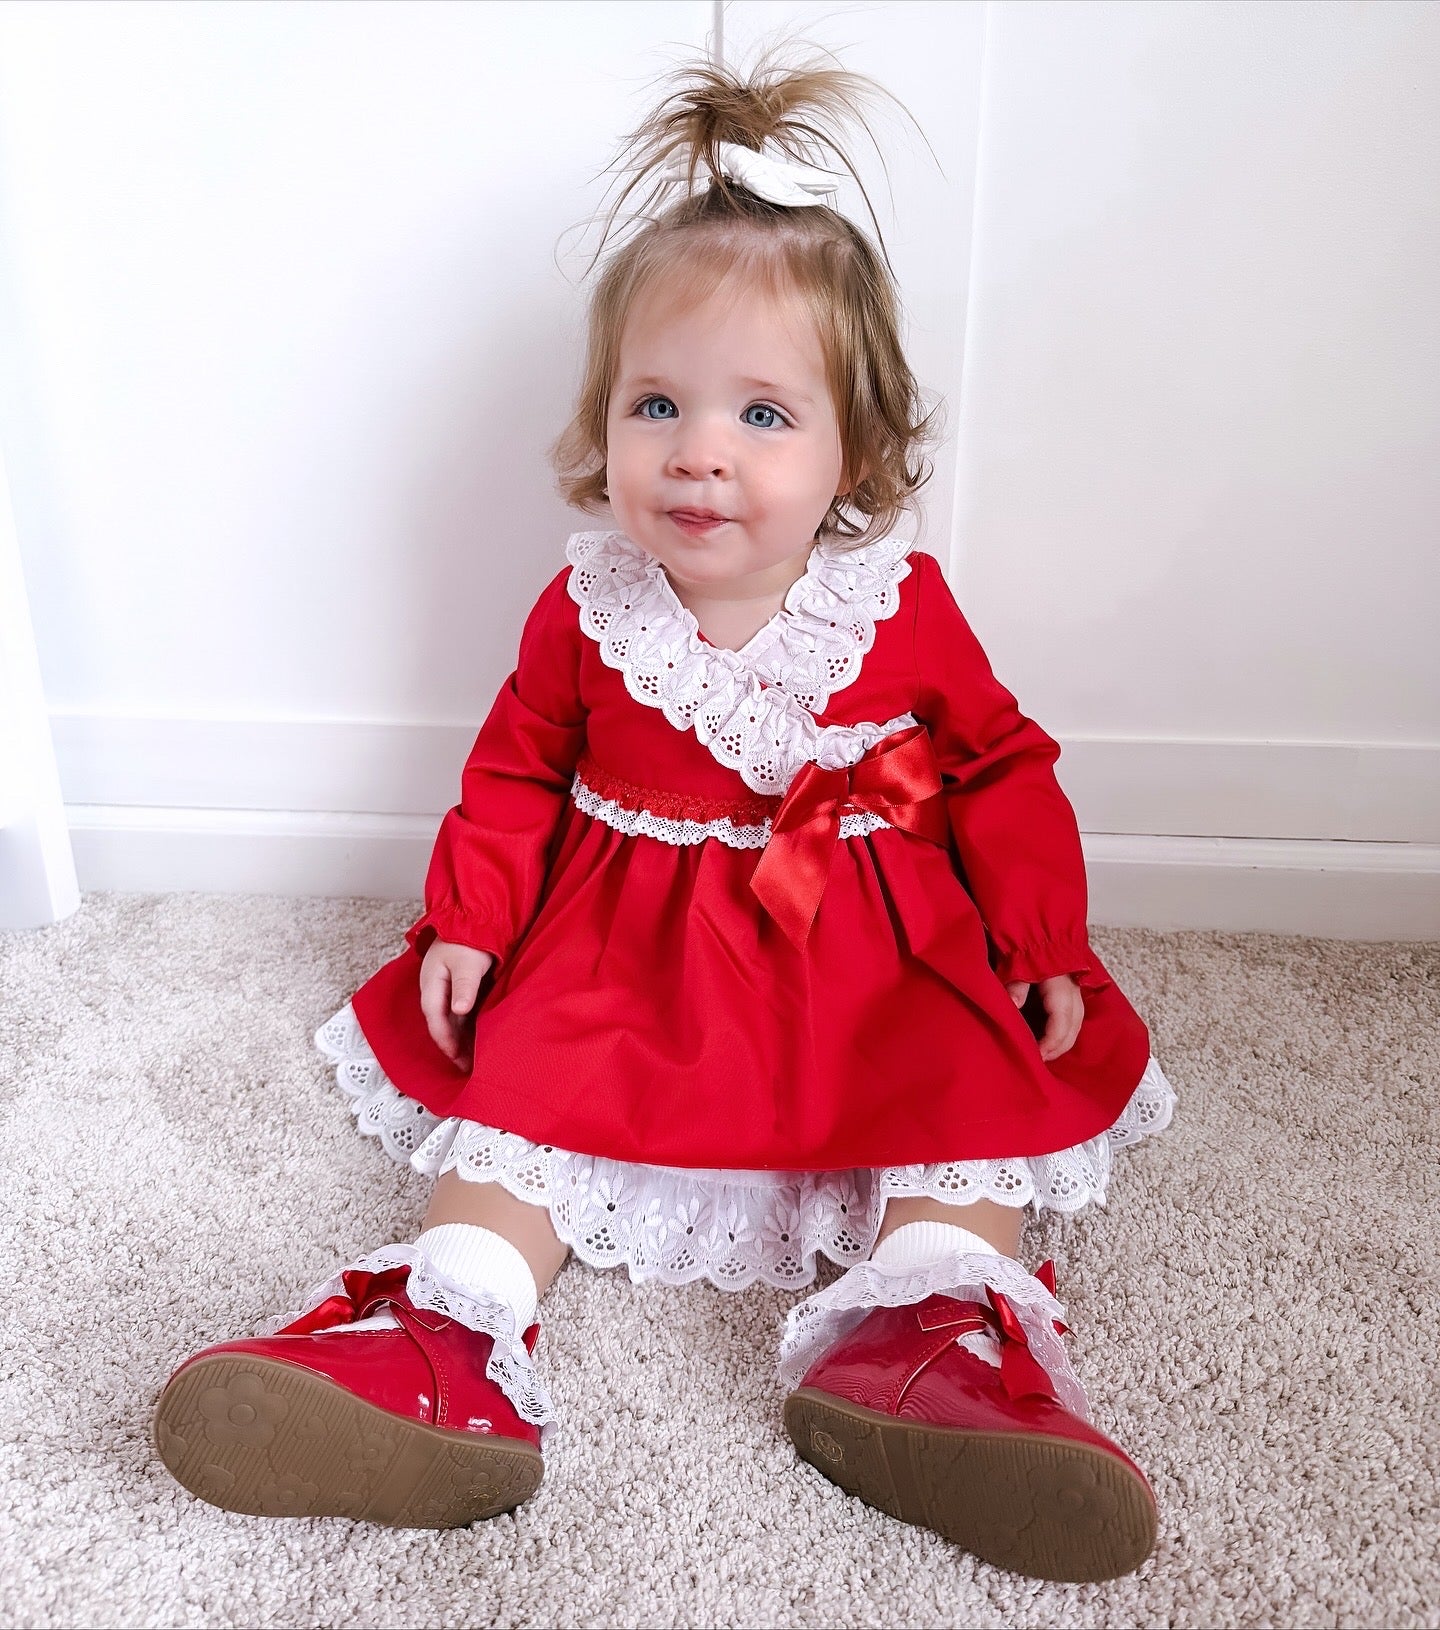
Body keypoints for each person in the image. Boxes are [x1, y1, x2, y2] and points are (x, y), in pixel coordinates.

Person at [153, 46, 1177, 1584]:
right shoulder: (590, 606)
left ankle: (936, 1331)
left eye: (764, 413)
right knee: (533, 1093)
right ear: (608, 425)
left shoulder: (895, 607)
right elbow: (510, 768)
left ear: (859, 448)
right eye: (658, 404)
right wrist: (475, 917)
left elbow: (999, 766)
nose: (699, 449)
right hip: (632, 945)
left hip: (869, 935)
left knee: (964, 1090)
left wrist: (1035, 934)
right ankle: (441, 1327)